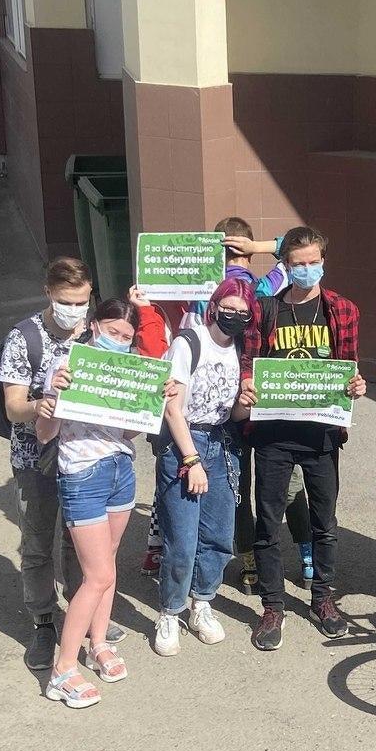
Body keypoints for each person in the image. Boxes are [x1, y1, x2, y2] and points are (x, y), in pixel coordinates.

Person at [139, 216, 298, 578]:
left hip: (236, 402)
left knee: (229, 487)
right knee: (188, 481)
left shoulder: (236, 289)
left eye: (239, 252)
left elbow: (301, 244)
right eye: (227, 252)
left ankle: (224, 556)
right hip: (190, 397)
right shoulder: (215, 289)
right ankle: (175, 552)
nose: (234, 263)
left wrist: (254, 247)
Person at [238, 225, 366, 650]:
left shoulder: (342, 310)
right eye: (298, 264)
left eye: (313, 262)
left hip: (322, 434)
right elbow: (249, 362)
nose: (307, 270)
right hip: (273, 433)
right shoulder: (265, 309)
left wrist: (355, 386)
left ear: (324, 262)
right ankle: (272, 607)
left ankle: (323, 598)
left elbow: (348, 366)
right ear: (286, 266)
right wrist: (247, 385)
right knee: (269, 523)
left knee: (325, 523)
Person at [0, 257, 124, 671]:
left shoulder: (92, 334)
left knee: (78, 543)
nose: (75, 310)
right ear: (48, 292)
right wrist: (43, 401)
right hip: (35, 458)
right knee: (36, 545)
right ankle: (44, 623)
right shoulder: (23, 337)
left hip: (84, 459)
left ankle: (82, 616)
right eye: (67, 301)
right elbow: (14, 408)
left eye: (83, 301)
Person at [34, 299, 144, 708]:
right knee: (95, 575)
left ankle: (98, 644)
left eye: (126, 337)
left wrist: (150, 399)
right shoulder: (66, 365)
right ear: (94, 326)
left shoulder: (129, 371)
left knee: (108, 565)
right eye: (113, 332)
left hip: (120, 469)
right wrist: (56, 395)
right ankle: (62, 670)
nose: (119, 341)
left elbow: (130, 433)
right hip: (81, 473)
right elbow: (45, 432)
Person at [150, 278, 256, 656]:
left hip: (222, 444)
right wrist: (191, 459)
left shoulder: (242, 349)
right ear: (214, 307)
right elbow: (172, 408)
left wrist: (246, 402)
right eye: (229, 308)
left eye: (243, 312)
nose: (235, 316)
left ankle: (202, 603)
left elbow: (236, 412)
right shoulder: (189, 343)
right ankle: (170, 609)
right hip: (185, 445)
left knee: (218, 535)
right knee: (182, 537)